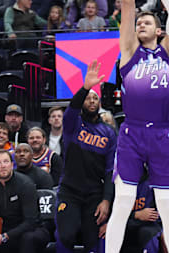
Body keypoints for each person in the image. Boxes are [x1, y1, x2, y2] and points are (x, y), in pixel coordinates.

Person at [104, 0, 169, 253]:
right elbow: (128, 4)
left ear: (160, 31)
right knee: (123, 199)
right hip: (133, 132)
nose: (141, 24)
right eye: (139, 23)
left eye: (147, 22)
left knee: (167, 202)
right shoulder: (129, 51)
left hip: (163, 132)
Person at [56, 63, 117, 253]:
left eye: (95, 98)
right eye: (88, 98)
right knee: (66, 235)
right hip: (70, 191)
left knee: (94, 239)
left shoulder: (108, 133)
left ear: (99, 104)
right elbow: (72, 107)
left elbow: (110, 171)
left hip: (94, 195)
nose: (91, 101)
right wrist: (85, 87)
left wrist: (106, 200)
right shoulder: (72, 124)